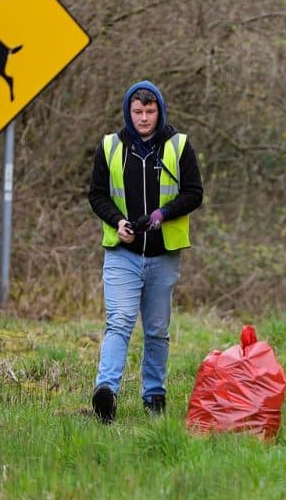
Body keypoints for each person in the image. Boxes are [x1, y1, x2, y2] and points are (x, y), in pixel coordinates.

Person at [87, 80, 203, 423]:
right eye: (137, 112)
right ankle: (105, 391)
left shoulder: (179, 147)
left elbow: (195, 193)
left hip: (163, 254)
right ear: (128, 112)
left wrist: (163, 214)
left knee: (156, 329)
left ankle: (154, 396)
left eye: (150, 112)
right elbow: (96, 195)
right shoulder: (109, 147)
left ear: (160, 111)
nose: (143, 118)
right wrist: (117, 221)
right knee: (119, 322)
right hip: (122, 253)